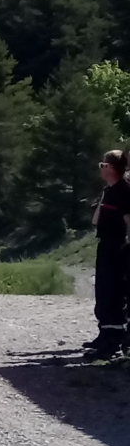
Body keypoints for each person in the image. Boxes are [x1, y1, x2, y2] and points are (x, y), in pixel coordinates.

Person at [85, 150, 130, 358]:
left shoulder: (124, 191)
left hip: (118, 247)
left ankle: (113, 340)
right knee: (103, 291)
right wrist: (104, 196)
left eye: (102, 165)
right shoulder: (110, 191)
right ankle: (104, 334)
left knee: (113, 292)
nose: (100, 169)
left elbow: (129, 222)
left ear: (110, 168)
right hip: (105, 245)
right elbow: (96, 221)